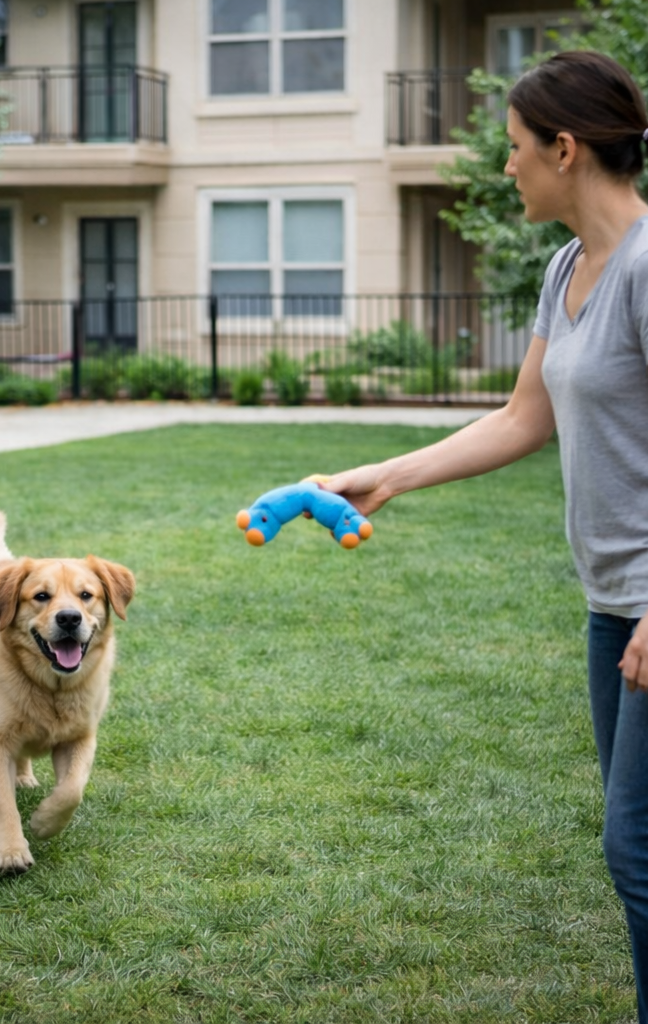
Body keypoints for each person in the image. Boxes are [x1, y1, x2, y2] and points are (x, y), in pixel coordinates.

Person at [321, 50, 648, 1023]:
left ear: (564, 147)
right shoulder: (567, 267)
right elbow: (520, 417)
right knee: (637, 850)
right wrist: (390, 475)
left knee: (633, 849)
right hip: (608, 607)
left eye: (512, 149)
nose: (503, 168)